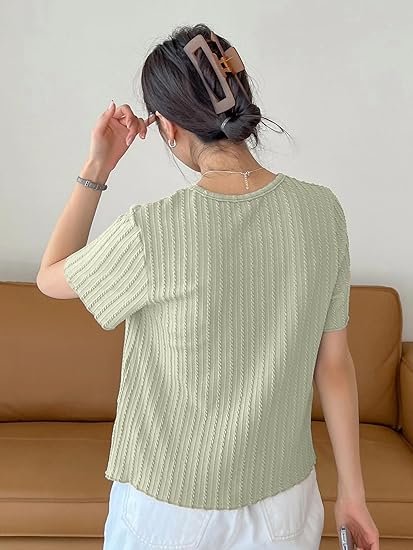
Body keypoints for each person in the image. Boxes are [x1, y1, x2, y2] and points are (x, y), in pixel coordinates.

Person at [36, 23, 380, 550]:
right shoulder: (322, 212)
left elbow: (51, 275)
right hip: (284, 506)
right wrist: (353, 494)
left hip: (167, 510)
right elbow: (333, 364)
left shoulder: (154, 229)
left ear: (169, 127)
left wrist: (98, 164)